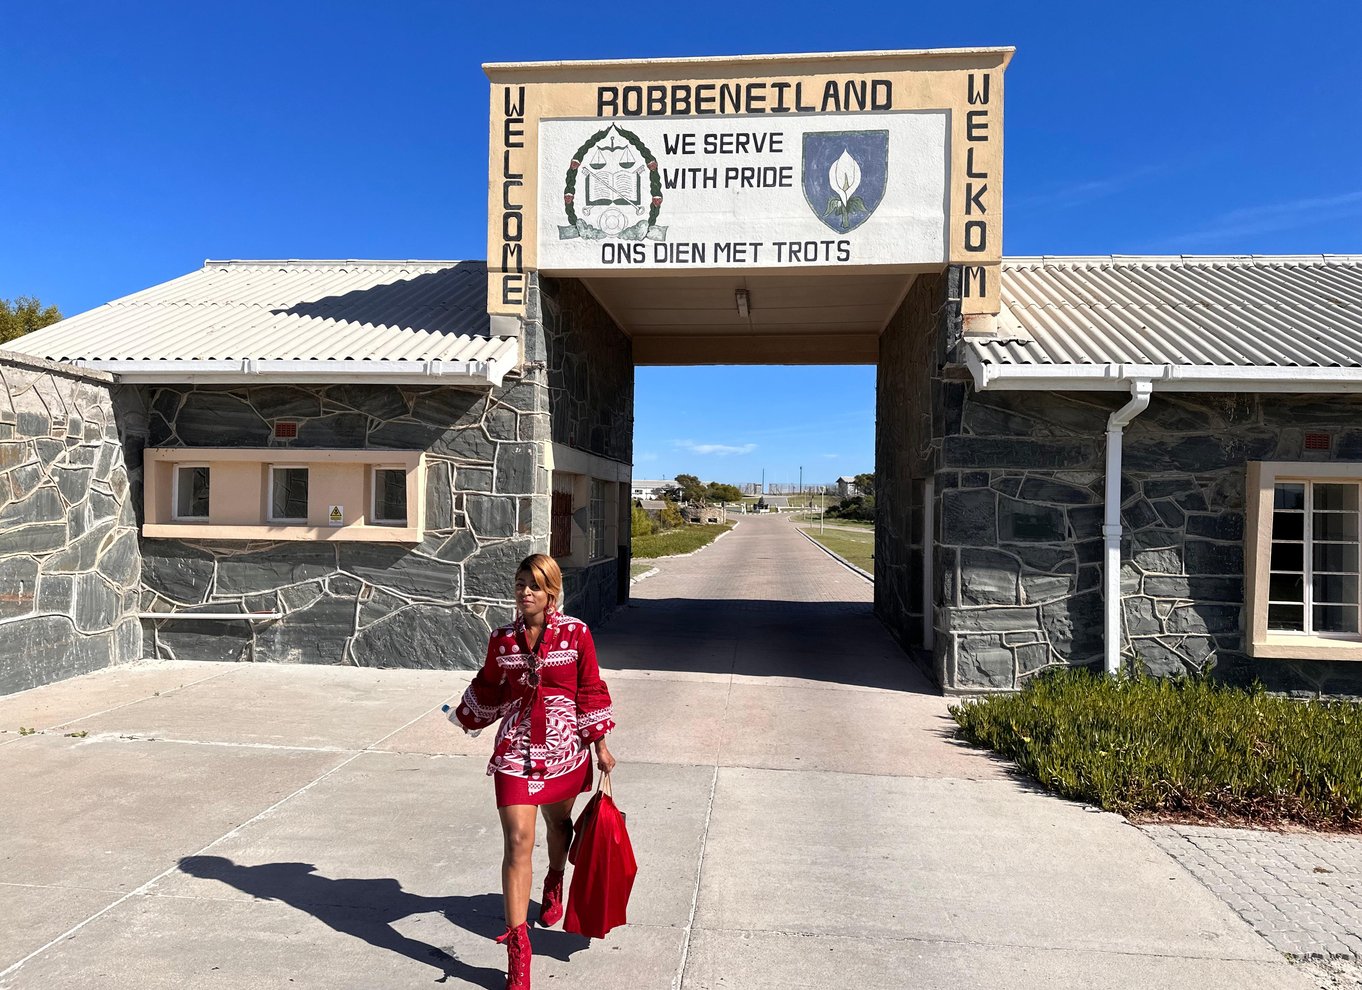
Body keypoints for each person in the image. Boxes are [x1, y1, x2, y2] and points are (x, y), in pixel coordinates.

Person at [450, 553, 616, 990]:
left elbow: (590, 687)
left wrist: (600, 743)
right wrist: (466, 715)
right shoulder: (502, 639)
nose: (525, 592)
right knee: (518, 840)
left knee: (559, 825)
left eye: (534, 586)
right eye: (520, 583)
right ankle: (518, 951)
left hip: (565, 749)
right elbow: (489, 684)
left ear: (551, 592)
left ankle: (555, 877)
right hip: (516, 750)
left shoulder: (576, 633)